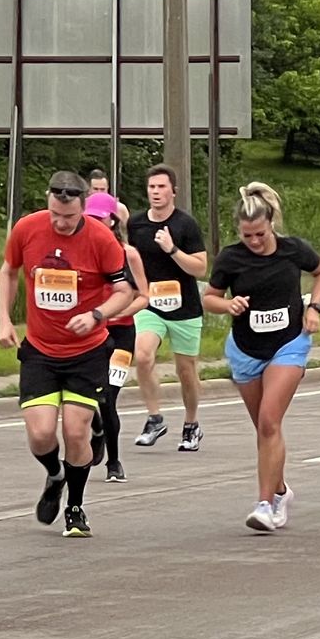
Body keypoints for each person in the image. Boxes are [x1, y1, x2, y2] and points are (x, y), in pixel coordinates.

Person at [0, 171, 137, 539]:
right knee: (42, 435)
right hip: (41, 350)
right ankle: (55, 475)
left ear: (83, 207)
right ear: (48, 200)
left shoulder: (101, 238)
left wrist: (96, 315)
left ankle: (75, 506)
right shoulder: (27, 229)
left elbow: (125, 291)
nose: (60, 222)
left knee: (76, 434)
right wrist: (4, 321)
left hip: (87, 352)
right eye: (55, 213)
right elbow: (9, 271)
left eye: (69, 217)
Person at [206, 183, 320, 531]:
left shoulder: (293, 250)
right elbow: (209, 297)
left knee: (269, 421)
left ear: (271, 224)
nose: (255, 242)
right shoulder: (230, 258)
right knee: (263, 429)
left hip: (289, 344)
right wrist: (227, 304)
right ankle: (280, 490)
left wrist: (315, 308)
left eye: (260, 234)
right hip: (246, 351)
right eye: (247, 236)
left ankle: (265, 505)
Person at [127, 165, 211, 454]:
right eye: (151, 187)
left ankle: (191, 424)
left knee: (186, 370)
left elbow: (201, 268)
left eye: (161, 187)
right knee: (142, 354)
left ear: (173, 191)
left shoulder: (185, 225)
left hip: (184, 307)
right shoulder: (137, 225)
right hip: (150, 305)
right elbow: (130, 261)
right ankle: (154, 418)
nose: (156, 192)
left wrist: (172, 250)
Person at [84, 193, 151, 480]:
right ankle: (97, 428)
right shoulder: (81, 251)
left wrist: (113, 312)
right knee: (90, 396)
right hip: (90, 333)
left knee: (109, 396)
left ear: (113, 220)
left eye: (100, 217)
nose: (96, 223)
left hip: (121, 332)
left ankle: (114, 462)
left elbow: (144, 297)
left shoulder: (129, 253)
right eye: (90, 218)